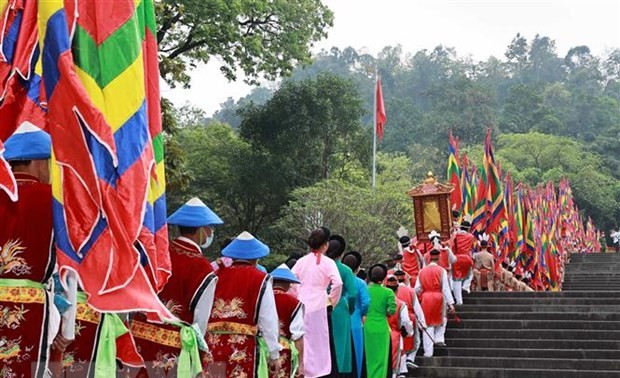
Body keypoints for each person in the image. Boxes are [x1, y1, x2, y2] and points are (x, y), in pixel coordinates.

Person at [0, 124, 77, 377]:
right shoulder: (55, 201)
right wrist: (68, 325)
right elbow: (68, 268)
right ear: (39, 163)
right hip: (31, 307)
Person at [131, 197, 220, 377]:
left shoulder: (158, 252)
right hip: (173, 344)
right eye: (210, 228)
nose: (211, 232)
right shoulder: (202, 267)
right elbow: (200, 321)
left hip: (138, 334)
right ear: (201, 230)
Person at [207, 231, 281, 377]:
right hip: (242, 345)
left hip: (212, 344)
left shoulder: (215, 276)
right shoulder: (261, 279)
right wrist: (274, 354)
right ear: (255, 259)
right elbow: (268, 319)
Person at [291, 227, 343, 378]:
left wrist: (297, 295)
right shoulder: (328, 262)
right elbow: (338, 284)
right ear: (326, 245)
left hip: (301, 304)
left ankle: (303, 370)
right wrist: (331, 301)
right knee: (320, 340)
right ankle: (319, 372)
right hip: (320, 304)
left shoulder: (301, 261)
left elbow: (291, 280)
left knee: (303, 338)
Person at [326, 235, 358, 377]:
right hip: (339, 307)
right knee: (341, 344)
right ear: (342, 253)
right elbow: (352, 294)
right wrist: (350, 309)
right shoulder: (345, 270)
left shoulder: (321, 266)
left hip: (320, 305)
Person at [415, 249, 455, 357]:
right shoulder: (442, 271)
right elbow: (446, 288)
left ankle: (428, 352)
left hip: (426, 298)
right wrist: (451, 303)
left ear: (428, 258)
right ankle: (439, 338)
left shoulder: (422, 271)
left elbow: (417, 288)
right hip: (438, 297)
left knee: (427, 324)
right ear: (439, 258)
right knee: (441, 319)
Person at [270, 264, 305, 378]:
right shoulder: (294, 303)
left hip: (262, 346)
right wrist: (301, 363)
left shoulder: (261, 298)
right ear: (289, 284)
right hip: (282, 348)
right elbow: (297, 335)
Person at [364, 264, 396, 378]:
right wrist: (385, 313)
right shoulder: (388, 292)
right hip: (382, 326)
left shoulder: (366, 290)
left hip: (367, 326)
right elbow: (392, 309)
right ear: (383, 278)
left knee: (369, 357)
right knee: (382, 358)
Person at [342, 251, 370, 378]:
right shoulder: (360, 283)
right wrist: (361, 313)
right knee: (357, 355)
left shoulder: (337, 282)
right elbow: (365, 303)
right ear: (358, 268)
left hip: (339, 322)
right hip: (355, 322)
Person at [393, 270, 426, 373]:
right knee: (415, 340)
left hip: (394, 318)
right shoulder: (411, 291)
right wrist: (423, 322)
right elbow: (417, 307)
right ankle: (410, 358)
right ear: (405, 278)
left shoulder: (390, 291)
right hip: (410, 317)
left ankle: (400, 366)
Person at [385, 275, 413, 378]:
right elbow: (406, 322)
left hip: (379, 333)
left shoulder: (379, 302)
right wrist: (409, 332)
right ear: (397, 289)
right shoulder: (401, 304)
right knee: (393, 366)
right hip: (395, 336)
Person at [450, 218, 476, 304]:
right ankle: (466, 286)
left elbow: (451, 245)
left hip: (456, 258)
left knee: (457, 279)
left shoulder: (455, 235)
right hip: (467, 258)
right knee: (470, 273)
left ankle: (459, 301)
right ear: (468, 228)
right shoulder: (471, 237)